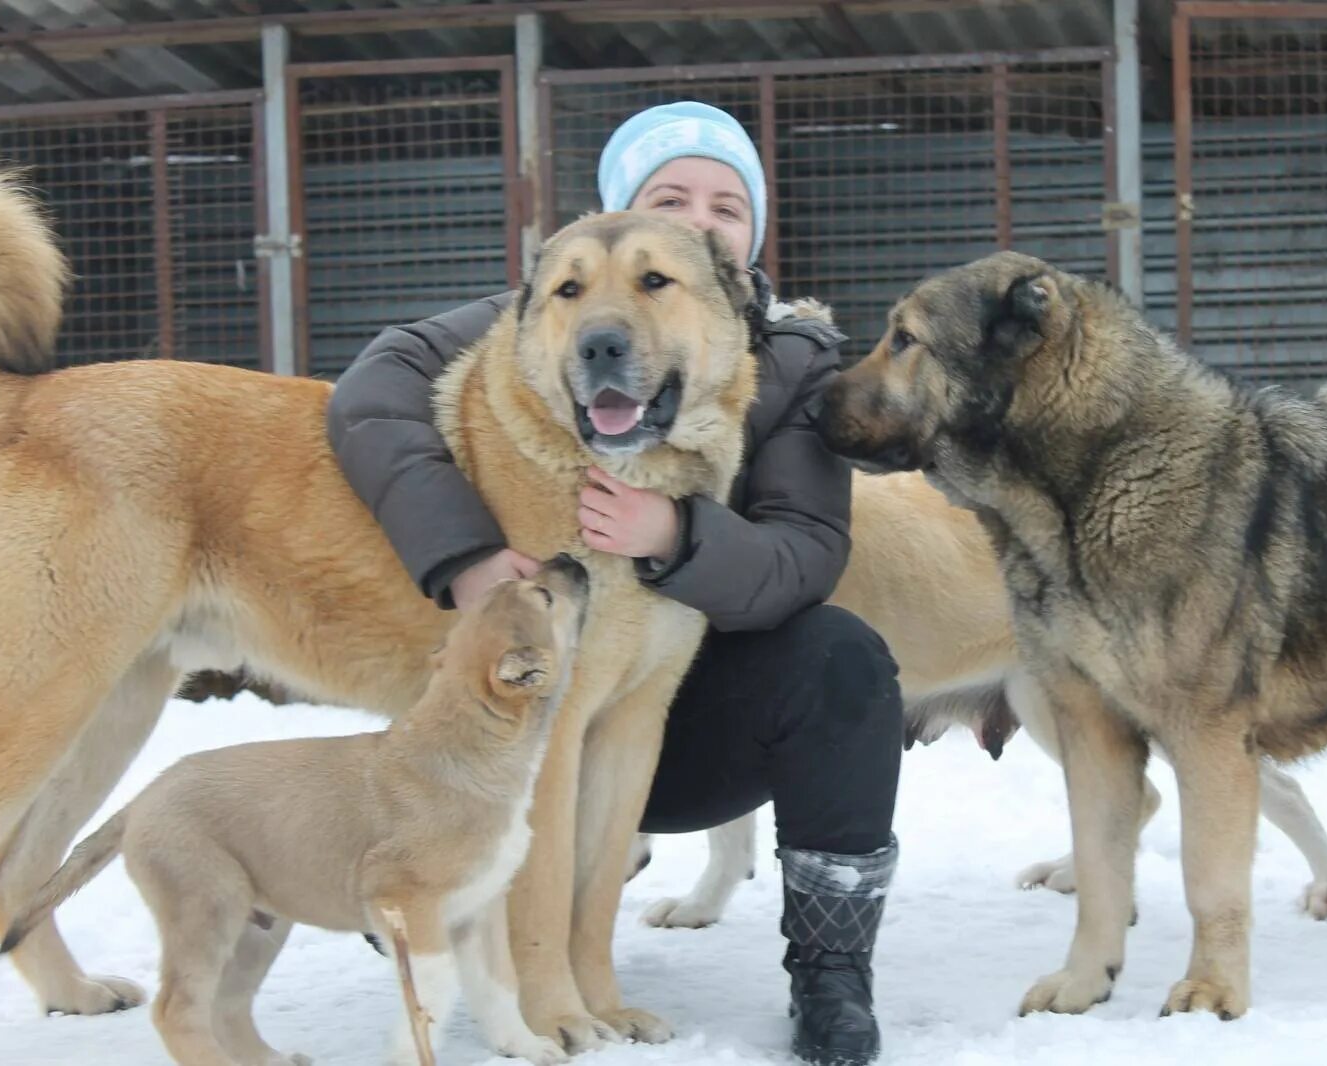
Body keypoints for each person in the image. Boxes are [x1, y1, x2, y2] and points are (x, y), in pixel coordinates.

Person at [325, 101, 902, 1066]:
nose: (704, 215)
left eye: (726, 203)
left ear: (749, 237)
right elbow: (376, 382)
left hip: (705, 715)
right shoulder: (556, 314)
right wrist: (463, 554)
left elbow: (805, 554)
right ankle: (490, 920)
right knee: (540, 710)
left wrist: (678, 535)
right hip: (575, 716)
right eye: (670, 196)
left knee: (844, 659)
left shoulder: (799, 360)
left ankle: (832, 974)